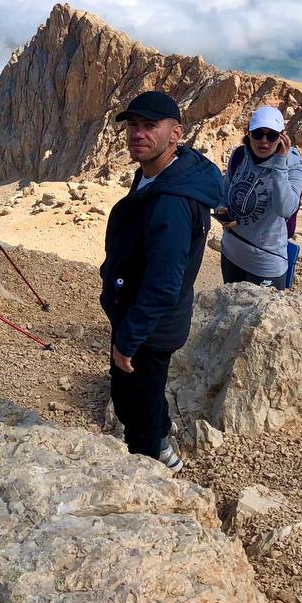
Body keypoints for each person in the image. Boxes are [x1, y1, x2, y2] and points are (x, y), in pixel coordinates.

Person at [99, 91, 223, 472]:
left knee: (135, 404)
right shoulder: (161, 174)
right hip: (148, 318)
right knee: (146, 392)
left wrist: (128, 339)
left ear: (176, 134)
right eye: (133, 125)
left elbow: (163, 284)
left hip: (148, 324)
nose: (138, 133)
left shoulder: (170, 201)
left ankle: (148, 469)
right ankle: (164, 447)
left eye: (150, 125)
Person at [217, 106, 302, 290]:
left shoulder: (293, 166)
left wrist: (280, 164)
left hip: (265, 264)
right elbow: (225, 190)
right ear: (249, 133)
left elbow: (286, 208)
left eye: (271, 135)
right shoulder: (240, 155)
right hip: (231, 252)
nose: (264, 141)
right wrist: (222, 209)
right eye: (258, 133)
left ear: (282, 137)